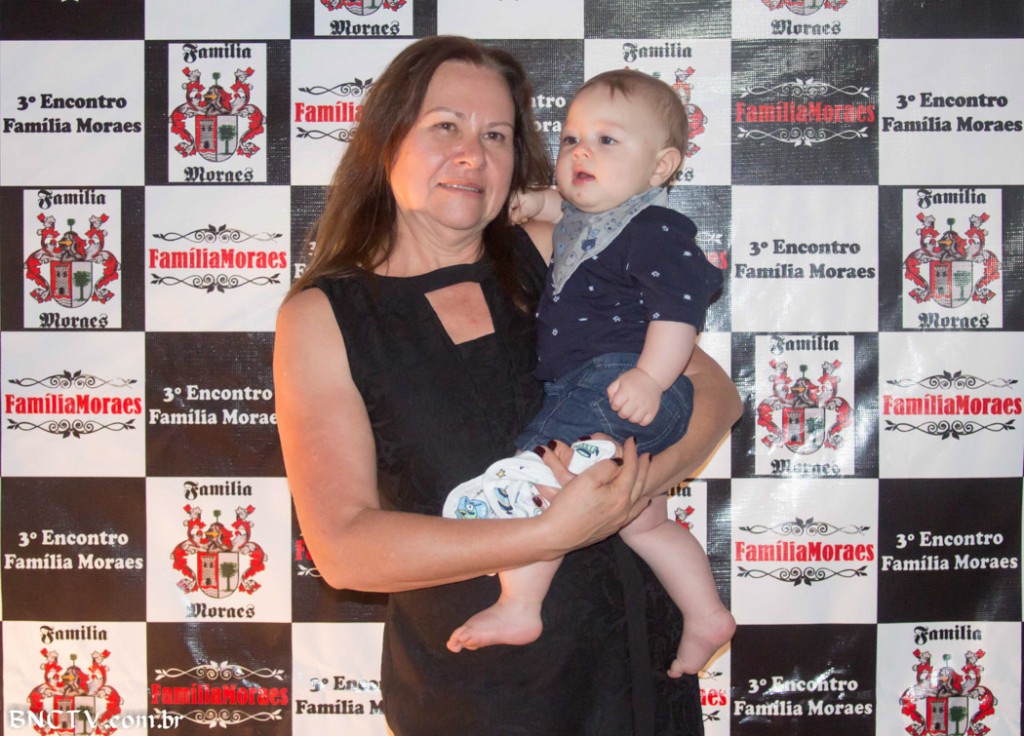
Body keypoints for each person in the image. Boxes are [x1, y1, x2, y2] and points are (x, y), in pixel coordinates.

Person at [274, 35, 742, 736]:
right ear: (386, 140)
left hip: (636, 680)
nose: (473, 154)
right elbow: (345, 549)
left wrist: (624, 489)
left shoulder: (558, 251)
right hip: (479, 702)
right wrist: (547, 532)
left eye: (495, 134)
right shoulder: (323, 317)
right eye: (446, 126)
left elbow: (716, 396)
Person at [443, 69, 736, 679]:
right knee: (643, 522)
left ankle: (520, 603)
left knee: (539, 472)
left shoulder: (655, 229)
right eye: (572, 139)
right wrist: (533, 202)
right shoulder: (590, 216)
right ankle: (706, 613)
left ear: (660, 167)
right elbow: (569, 209)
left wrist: (651, 378)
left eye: (607, 141)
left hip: (618, 382)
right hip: (604, 386)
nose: (581, 152)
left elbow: (679, 310)